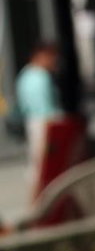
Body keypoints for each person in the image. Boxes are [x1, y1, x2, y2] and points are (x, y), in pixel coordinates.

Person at [15, 41, 64, 192]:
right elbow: (45, 109)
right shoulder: (39, 76)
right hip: (44, 124)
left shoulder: (26, 74)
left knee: (38, 164)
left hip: (35, 123)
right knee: (44, 165)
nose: (54, 61)